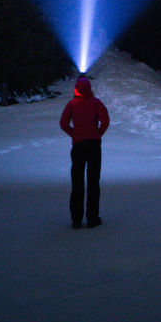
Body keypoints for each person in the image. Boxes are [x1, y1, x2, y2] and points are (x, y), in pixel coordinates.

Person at [59, 74, 109, 228]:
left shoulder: (72, 104)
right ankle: (92, 218)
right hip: (94, 146)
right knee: (93, 182)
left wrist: (74, 134)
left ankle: (76, 219)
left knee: (77, 182)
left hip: (78, 146)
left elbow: (63, 123)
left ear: (76, 89)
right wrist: (97, 133)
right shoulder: (96, 103)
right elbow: (105, 120)